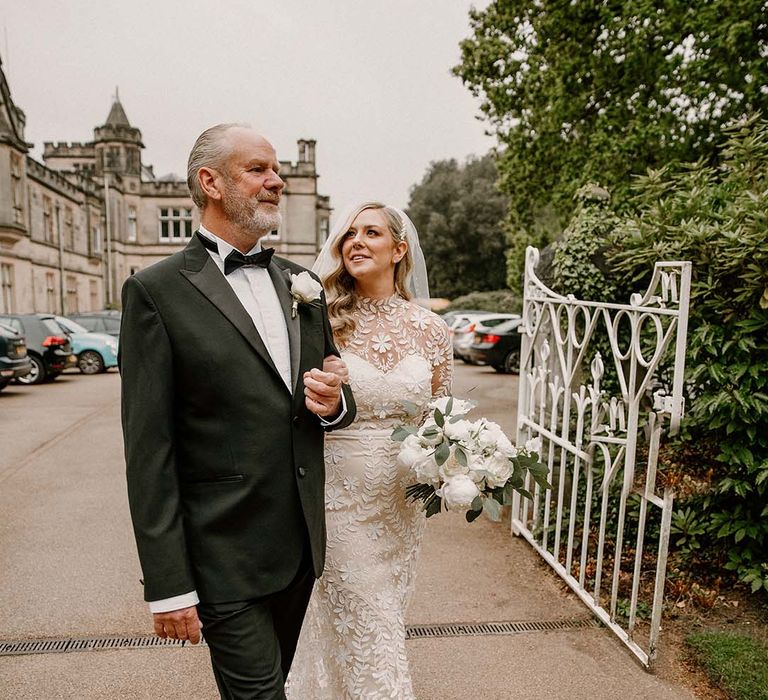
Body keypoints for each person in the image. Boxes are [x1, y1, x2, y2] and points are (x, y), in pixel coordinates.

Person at [119, 124, 356, 699]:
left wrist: (333, 404)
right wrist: (169, 587)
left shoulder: (302, 283)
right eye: (258, 170)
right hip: (222, 556)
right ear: (211, 182)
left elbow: (335, 395)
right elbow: (149, 449)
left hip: (300, 552)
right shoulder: (155, 291)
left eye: (275, 170)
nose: (276, 181)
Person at [286, 202, 453, 698]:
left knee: (368, 622)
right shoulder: (322, 321)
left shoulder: (432, 330)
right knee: (372, 622)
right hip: (338, 500)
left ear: (399, 250)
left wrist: (458, 461)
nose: (355, 241)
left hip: (401, 505)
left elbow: (440, 417)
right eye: (350, 234)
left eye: (372, 233)